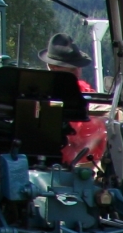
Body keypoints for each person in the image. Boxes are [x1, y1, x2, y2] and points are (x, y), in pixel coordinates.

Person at [40, 33, 106, 167]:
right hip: (48, 161)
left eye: (78, 67)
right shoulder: (38, 93)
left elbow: (99, 113)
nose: (77, 72)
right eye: (71, 68)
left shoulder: (84, 91)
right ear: (53, 67)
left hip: (79, 167)